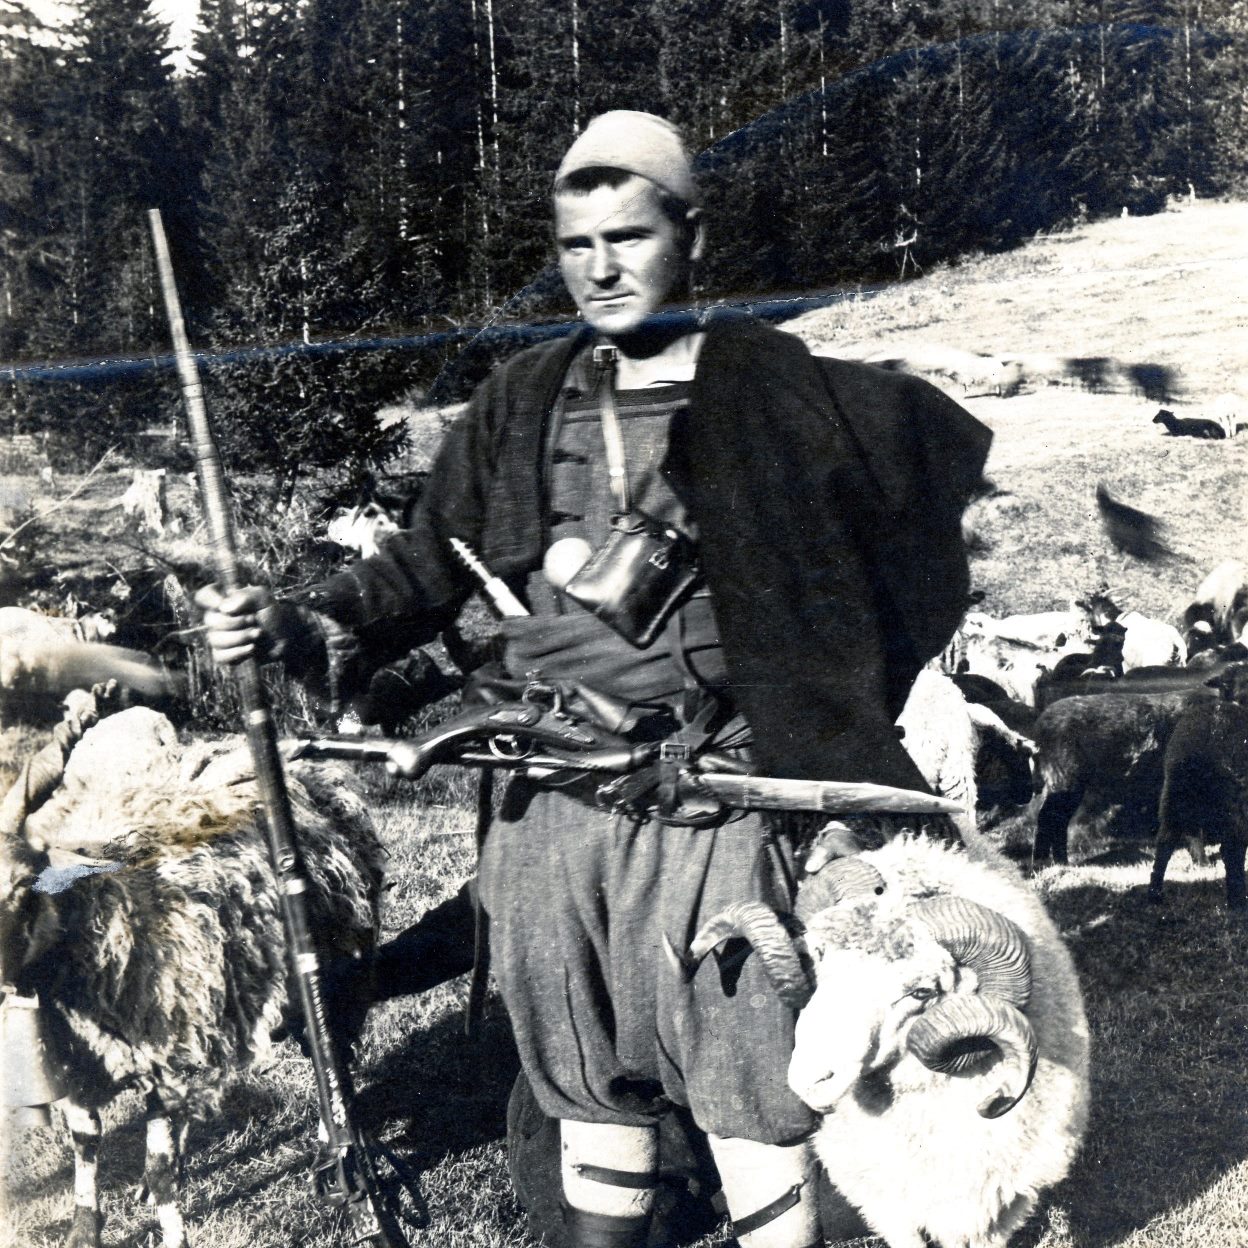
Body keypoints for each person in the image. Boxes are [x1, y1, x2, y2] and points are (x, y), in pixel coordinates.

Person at [198, 111, 991, 1248]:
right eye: (577, 245)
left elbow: (921, 540)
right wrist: (297, 620)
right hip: (553, 808)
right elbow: (422, 564)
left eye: (629, 237)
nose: (602, 268)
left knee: (749, 1087)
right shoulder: (525, 395)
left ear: (692, 237)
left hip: (718, 803)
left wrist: (834, 689)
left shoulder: (777, 386)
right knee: (585, 1081)